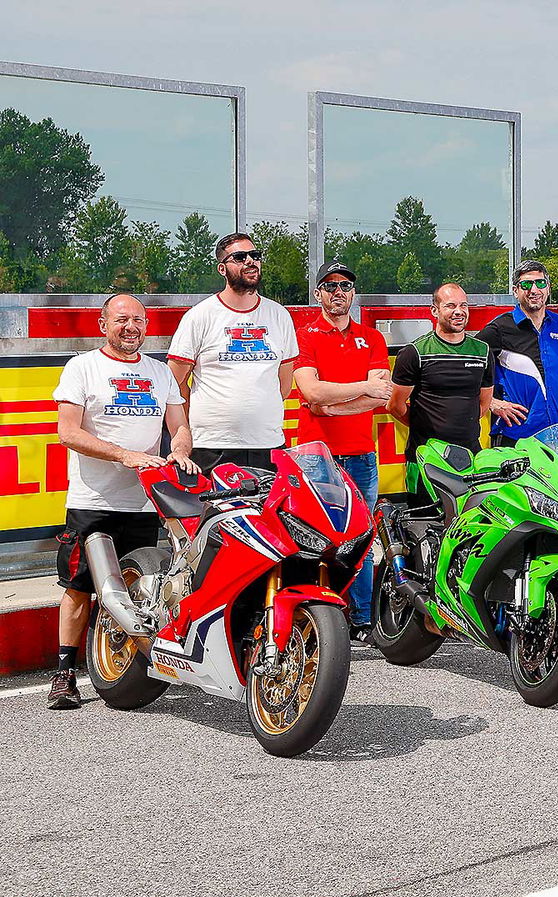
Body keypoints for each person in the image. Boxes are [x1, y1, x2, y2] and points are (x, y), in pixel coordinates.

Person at [49, 295, 199, 709]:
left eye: (138, 320)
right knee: (80, 587)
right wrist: (124, 455)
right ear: (103, 325)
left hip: (145, 502)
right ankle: (64, 674)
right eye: (121, 319)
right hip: (93, 501)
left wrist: (180, 451)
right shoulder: (82, 368)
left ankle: (127, 670)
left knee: (138, 588)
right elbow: (68, 432)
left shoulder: (159, 372)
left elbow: (179, 425)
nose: (130, 327)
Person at [292, 260, 390, 641]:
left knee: (360, 539)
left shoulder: (372, 338)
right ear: (318, 293)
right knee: (314, 537)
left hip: (362, 454)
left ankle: (362, 619)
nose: (338, 292)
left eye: (345, 286)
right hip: (317, 456)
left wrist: (331, 405)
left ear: (353, 294)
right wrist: (361, 386)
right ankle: (315, 617)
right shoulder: (305, 336)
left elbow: (381, 396)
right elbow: (310, 391)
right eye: (330, 286)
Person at [166, 233, 298, 471]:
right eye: (239, 257)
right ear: (222, 269)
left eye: (255, 255)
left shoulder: (279, 315)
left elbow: (284, 385)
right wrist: (189, 430)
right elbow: (174, 384)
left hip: (269, 444)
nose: (250, 261)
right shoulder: (200, 316)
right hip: (211, 446)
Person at [388, 283, 494, 498]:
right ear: (434, 311)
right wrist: (424, 426)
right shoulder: (414, 353)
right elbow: (395, 406)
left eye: (464, 305)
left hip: (470, 457)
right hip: (425, 457)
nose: (459, 311)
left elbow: (483, 404)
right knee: (423, 517)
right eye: (450, 306)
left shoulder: (482, 351)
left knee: (470, 517)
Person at [478, 259, 558, 447]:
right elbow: (466, 367)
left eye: (540, 283)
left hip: (556, 436)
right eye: (526, 285)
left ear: (548, 288)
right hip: (514, 437)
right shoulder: (499, 328)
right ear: (515, 291)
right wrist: (491, 403)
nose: (534, 290)